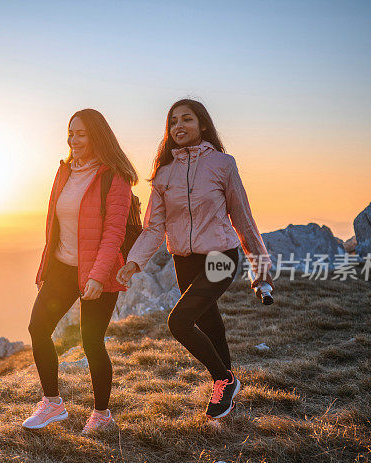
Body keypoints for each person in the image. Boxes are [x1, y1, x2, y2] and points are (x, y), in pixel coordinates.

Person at [116, 98, 274, 420]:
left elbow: (242, 219)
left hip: (221, 257)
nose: (179, 127)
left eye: (186, 119)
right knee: (209, 324)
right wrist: (133, 262)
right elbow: (153, 227)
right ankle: (228, 399)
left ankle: (224, 380)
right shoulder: (163, 174)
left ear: (202, 124)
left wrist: (260, 269)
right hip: (184, 260)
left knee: (179, 321)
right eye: (173, 122)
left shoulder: (222, 164)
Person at [23, 108, 137, 434]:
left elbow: (114, 233)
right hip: (62, 266)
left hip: (97, 270)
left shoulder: (114, 178)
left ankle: (101, 416)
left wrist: (99, 276)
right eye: (71, 133)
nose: (74, 140)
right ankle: (52, 404)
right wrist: (46, 267)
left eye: (82, 134)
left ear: (97, 136)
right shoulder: (64, 172)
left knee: (92, 342)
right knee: (37, 328)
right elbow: (53, 226)